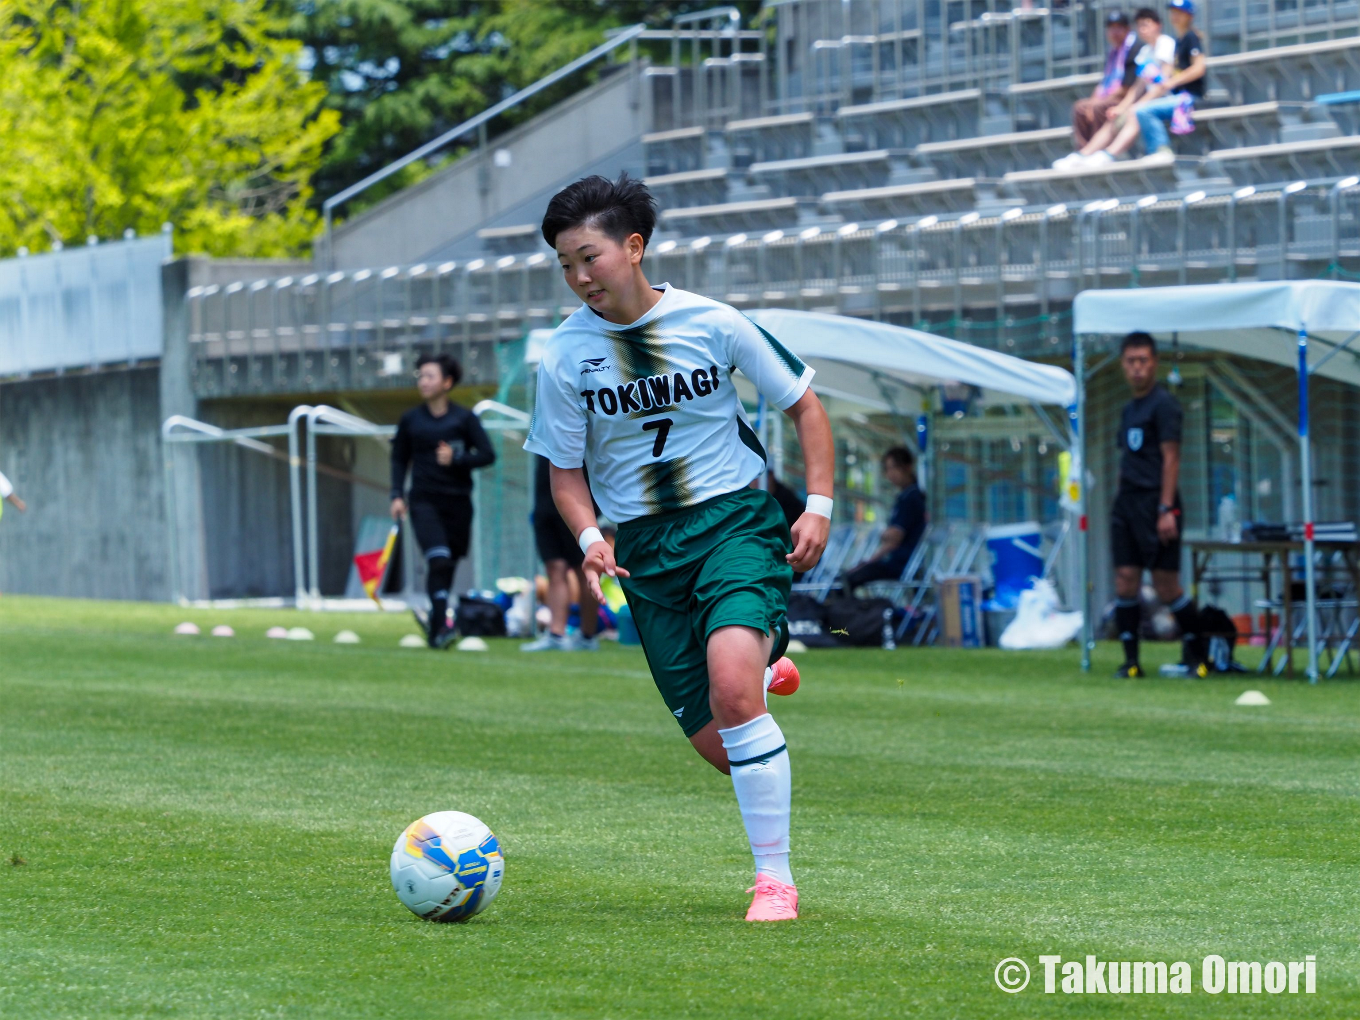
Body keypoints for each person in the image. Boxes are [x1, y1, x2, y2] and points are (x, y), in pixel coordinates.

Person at [525, 172, 835, 922]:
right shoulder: (564, 357)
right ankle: (766, 660)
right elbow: (564, 473)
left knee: (733, 693)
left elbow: (804, 403)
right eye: (565, 265)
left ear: (634, 248)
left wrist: (819, 507)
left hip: (733, 523)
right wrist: (591, 538)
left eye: (590, 257)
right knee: (724, 748)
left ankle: (775, 882)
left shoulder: (715, 323)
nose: (579, 277)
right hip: (645, 551)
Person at [1109, 331, 1204, 678]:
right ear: (1123, 365)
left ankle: (1199, 656)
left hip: (1156, 503)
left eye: (1143, 361)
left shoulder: (1164, 405)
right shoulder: (1128, 410)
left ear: (1154, 363)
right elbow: (1126, 459)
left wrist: (1166, 509)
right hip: (1127, 504)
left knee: (1166, 586)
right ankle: (1131, 663)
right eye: (1131, 361)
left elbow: (1171, 457)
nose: (1137, 368)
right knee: (1125, 580)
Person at [390, 353, 496, 648]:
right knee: (438, 559)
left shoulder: (464, 418)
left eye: (430, 376)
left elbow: (487, 455)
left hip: (458, 504)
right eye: (420, 376)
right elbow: (399, 459)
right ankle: (440, 627)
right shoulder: (411, 420)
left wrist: (457, 457)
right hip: (424, 502)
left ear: (447, 382)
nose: (423, 382)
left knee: (447, 566)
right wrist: (396, 494)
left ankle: (436, 628)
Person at [1061, 8, 1176, 167]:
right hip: (1149, 100)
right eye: (1140, 25)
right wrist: (1122, 108)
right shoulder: (1145, 51)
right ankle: (1084, 154)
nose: (1143, 29)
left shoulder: (1165, 43)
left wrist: (1136, 105)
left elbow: (1162, 84)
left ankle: (1109, 154)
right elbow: (1137, 87)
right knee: (1113, 115)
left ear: (1158, 25)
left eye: (1146, 25)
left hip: (1167, 98)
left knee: (1133, 112)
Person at [521, 454, 601, 652]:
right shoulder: (543, 435)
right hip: (545, 507)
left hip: (577, 508)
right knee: (554, 568)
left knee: (584, 569)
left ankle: (587, 636)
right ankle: (556, 634)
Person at [1055, 11, 1145, 164]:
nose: (1114, 32)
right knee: (1081, 107)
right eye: (1111, 28)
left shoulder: (1135, 49)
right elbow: (1104, 83)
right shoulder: (1113, 51)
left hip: (1126, 100)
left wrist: (1096, 103)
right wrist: (1091, 103)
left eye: (1119, 28)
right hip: (1111, 97)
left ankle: (1097, 153)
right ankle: (1082, 153)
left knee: (1099, 107)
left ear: (1127, 29)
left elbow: (1126, 87)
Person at [844, 446, 927, 592]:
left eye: (895, 468)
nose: (891, 474)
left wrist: (871, 560)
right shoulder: (906, 496)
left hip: (901, 564)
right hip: (897, 561)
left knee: (848, 580)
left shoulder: (911, 498)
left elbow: (894, 538)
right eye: (887, 469)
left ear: (907, 467)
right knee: (849, 576)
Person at [1131, 0, 1206, 158]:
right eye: (1173, 12)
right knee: (1142, 109)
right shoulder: (1178, 41)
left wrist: (1172, 81)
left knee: (1144, 111)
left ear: (1189, 16)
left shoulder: (1191, 37)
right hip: (1178, 96)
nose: (1175, 16)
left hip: (1190, 97)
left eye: (1180, 13)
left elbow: (1199, 68)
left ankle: (1161, 150)